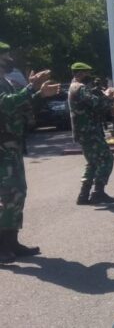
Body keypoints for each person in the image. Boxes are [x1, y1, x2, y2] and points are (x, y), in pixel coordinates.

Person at [0, 41, 59, 263]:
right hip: (2, 146)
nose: (8, 60)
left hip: (12, 146)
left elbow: (18, 106)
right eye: (4, 56)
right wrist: (31, 88)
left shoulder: (5, 81)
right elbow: (5, 105)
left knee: (17, 193)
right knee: (7, 196)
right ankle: (1, 246)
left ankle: (11, 242)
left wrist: (39, 95)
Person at [68, 62, 114, 205]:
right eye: (87, 73)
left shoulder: (73, 87)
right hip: (90, 131)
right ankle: (98, 192)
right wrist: (108, 96)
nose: (89, 76)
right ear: (80, 73)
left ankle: (83, 195)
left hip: (83, 131)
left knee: (93, 163)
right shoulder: (80, 87)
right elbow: (97, 105)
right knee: (107, 158)